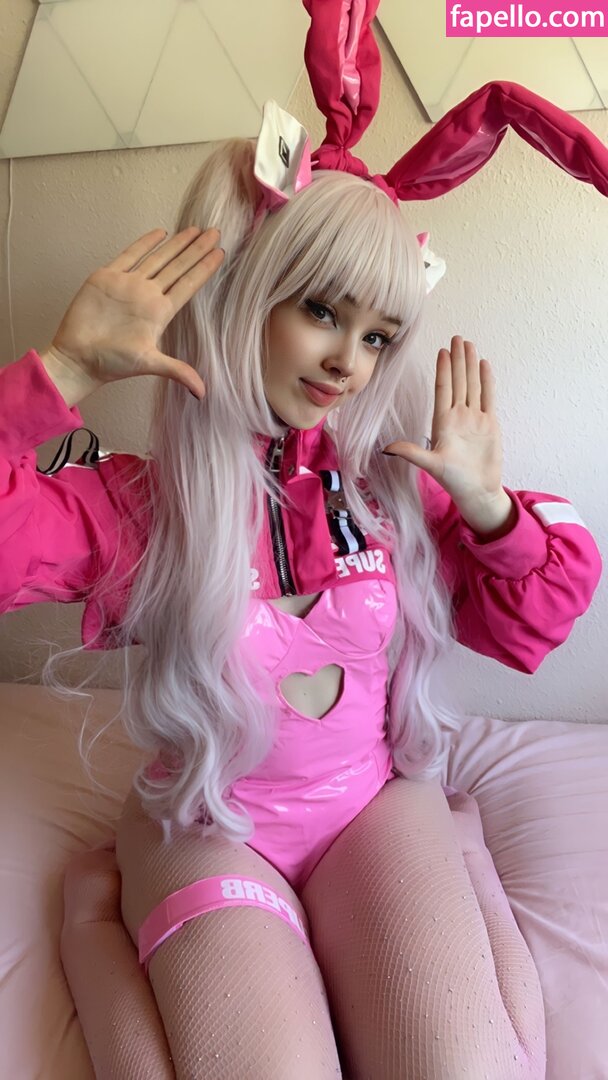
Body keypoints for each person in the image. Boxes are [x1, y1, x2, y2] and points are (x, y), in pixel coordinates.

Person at [0, 135, 602, 1080]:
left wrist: (489, 510)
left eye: (378, 336)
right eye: (321, 310)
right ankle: (94, 917)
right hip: (210, 824)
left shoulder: (390, 490)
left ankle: (456, 848)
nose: (347, 363)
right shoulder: (142, 510)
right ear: (245, 293)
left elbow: (534, 621)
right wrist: (66, 369)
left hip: (370, 803)